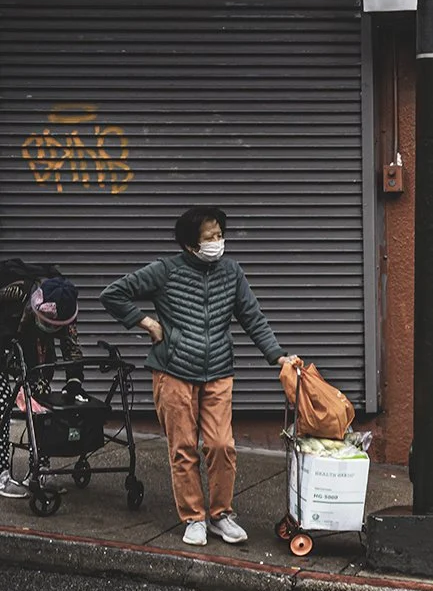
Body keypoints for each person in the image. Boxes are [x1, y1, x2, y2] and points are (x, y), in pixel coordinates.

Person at [101, 207, 290, 546]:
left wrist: (276, 355)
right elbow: (113, 294)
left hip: (218, 370)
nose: (218, 243)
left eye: (220, 235)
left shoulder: (231, 272)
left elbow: (252, 316)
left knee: (221, 445)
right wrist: (148, 324)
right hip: (173, 371)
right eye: (209, 238)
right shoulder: (165, 271)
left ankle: (220, 514)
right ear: (190, 245)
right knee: (184, 447)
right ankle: (193, 517)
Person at [0, 272, 85, 500]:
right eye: (47, 322)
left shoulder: (66, 305)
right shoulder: (14, 292)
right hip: (5, 338)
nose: (52, 327)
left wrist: (74, 381)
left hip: (36, 347)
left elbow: (71, 344)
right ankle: (1, 474)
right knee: (2, 402)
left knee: (41, 402)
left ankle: (40, 470)